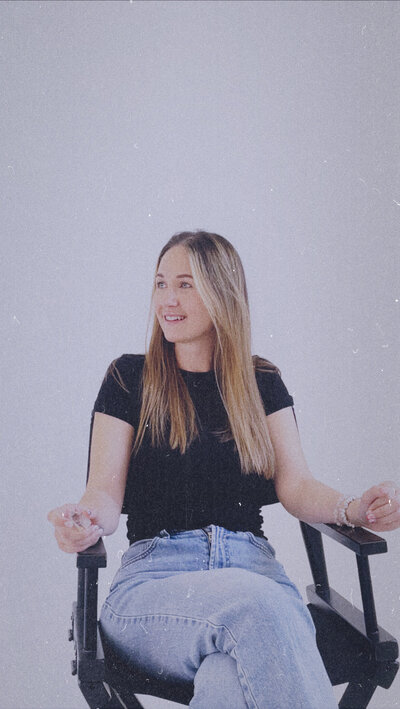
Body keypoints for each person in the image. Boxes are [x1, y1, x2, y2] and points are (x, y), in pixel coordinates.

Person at [48, 231, 399, 709]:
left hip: (254, 572)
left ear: (223, 292)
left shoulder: (262, 381)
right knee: (261, 608)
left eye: (186, 285)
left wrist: (353, 507)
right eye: (160, 283)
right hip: (155, 589)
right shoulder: (128, 378)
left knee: (228, 680)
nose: (167, 299)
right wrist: (83, 521)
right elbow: (103, 494)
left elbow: (296, 485)